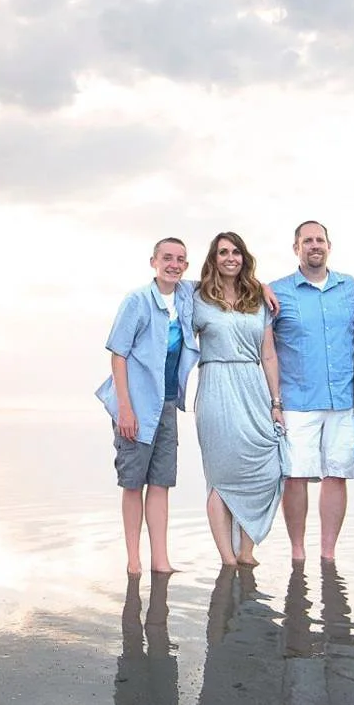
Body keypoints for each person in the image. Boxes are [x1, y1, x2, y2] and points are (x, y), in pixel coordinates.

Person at [96, 238, 198, 575]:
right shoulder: (137, 301)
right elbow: (118, 354)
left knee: (161, 482)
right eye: (167, 258)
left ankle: (160, 559)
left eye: (180, 259)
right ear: (153, 261)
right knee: (132, 483)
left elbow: (224, 280)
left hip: (167, 404)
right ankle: (133, 560)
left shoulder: (186, 295)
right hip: (136, 405)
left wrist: (262, 288)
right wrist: (125, 409)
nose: (174, 264)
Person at [268, 220, 354, 563]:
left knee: (336, 475)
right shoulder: (277, 290)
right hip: (296, 401)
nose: (314, 245)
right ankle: (297, 551)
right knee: (294, 477)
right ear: (296, 248)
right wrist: (273, 400)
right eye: (306, 241)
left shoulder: (349, 288)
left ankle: (328, 553)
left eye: (319, 239)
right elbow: (264, 345)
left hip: (343, 399)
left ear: (329, 245)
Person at [191, 231, 286, 567]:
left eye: (236, 252)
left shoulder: (256, 300)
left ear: (244, 258)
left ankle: (247, 552)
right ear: (213, 259)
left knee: (268, 470)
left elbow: (269, 355)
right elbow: (169, 289)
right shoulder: (197, 296)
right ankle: (228, 559)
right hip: (215, 387)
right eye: (222, 252)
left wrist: (276, 404)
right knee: (221, 474)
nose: (230, 258)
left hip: (253, 386)